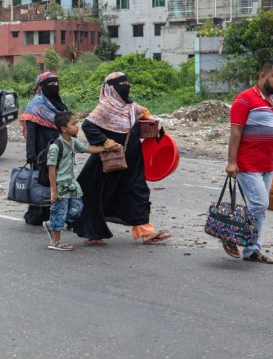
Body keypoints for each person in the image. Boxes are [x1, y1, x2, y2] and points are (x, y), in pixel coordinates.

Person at [73, 72, 172, 246]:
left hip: (133, 158)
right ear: (111, 88)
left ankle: (146, 232)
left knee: (138, 191)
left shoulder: (131, 106)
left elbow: (147, 118)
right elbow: (88, 125)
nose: (126, 85)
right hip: (109, 159)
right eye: (121, 83)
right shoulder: (105, 106)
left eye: (127, 81)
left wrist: (161, 134)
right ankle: (91, 230)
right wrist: (105, 140)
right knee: (98, 193)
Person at [223, 60, 273, 264]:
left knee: (259, 209)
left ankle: (252, 250)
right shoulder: (244, 99)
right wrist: (231, 162)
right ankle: (230, 233)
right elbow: (236, 131)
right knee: (259, 203)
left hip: (266, 165)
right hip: (248, 164)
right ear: (263, 76)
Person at [44, 111, 113, 251]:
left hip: (71, 184)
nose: (77, 126)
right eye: (74, 124)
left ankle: (52, 223)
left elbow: (88, 149)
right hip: (60, 185)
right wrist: (53, 190)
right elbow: (51, 169)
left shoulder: (73, 142)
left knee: (77, 209)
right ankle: (55, 241)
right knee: (60, 212)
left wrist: (106, 148)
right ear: (63, 128)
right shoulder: (55, 147)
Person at [19, 71, 67, 225]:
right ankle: (36, 214)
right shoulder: (35, 105)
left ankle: (56, 214)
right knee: (41, 182)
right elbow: (31, 132)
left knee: (60, 181)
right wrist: (30, 153)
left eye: (57, 84)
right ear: (42, 86)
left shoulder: (58, 104)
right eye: (51, 84)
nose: (55, 87)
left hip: (59, 149)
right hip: (41, 151)